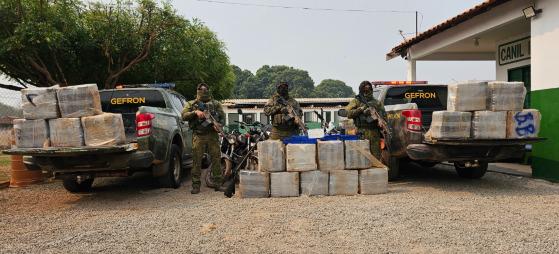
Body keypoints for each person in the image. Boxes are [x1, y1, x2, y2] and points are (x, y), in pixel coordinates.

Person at [182, 83, 226, 194]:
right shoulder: (192, 104)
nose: (204, 92)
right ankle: (196, 185)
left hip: (212, 135)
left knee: (216, 159)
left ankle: (218, 184)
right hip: (198, 135)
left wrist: (219, 126)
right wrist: (195, 112)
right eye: (202, 90)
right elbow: (183, 115)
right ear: (198, 91)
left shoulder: (216, 104)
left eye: (205, 90)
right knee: (197, 160)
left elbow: (222, 118)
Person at [345, 81, 386, 159]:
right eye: (365, 89)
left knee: (375, 157)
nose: (367, 91)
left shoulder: (377, 103)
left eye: (369, 89)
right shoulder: (356, 101)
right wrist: (360, 109)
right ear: (361, 90)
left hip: (374, 133)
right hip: (361, 132)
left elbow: (384, 117)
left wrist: (380, 121)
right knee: (361, 157)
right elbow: (348, 114)